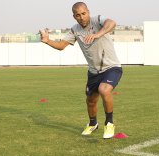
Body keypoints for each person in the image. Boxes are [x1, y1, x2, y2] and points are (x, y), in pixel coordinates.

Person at [40, 2, 122, 139]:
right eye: (78, 15)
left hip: (111, 67)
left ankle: (109, 123)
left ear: (88, 12)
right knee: (90, 100)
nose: (82, 17)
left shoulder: (98, 20)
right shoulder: (75, 30)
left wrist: (98, 34)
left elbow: (112, 23)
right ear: (74, 17)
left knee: (104, 90)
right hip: (93, 72)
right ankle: (92, 124)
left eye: (84, 13)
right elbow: (61, 46)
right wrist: (48, 41)